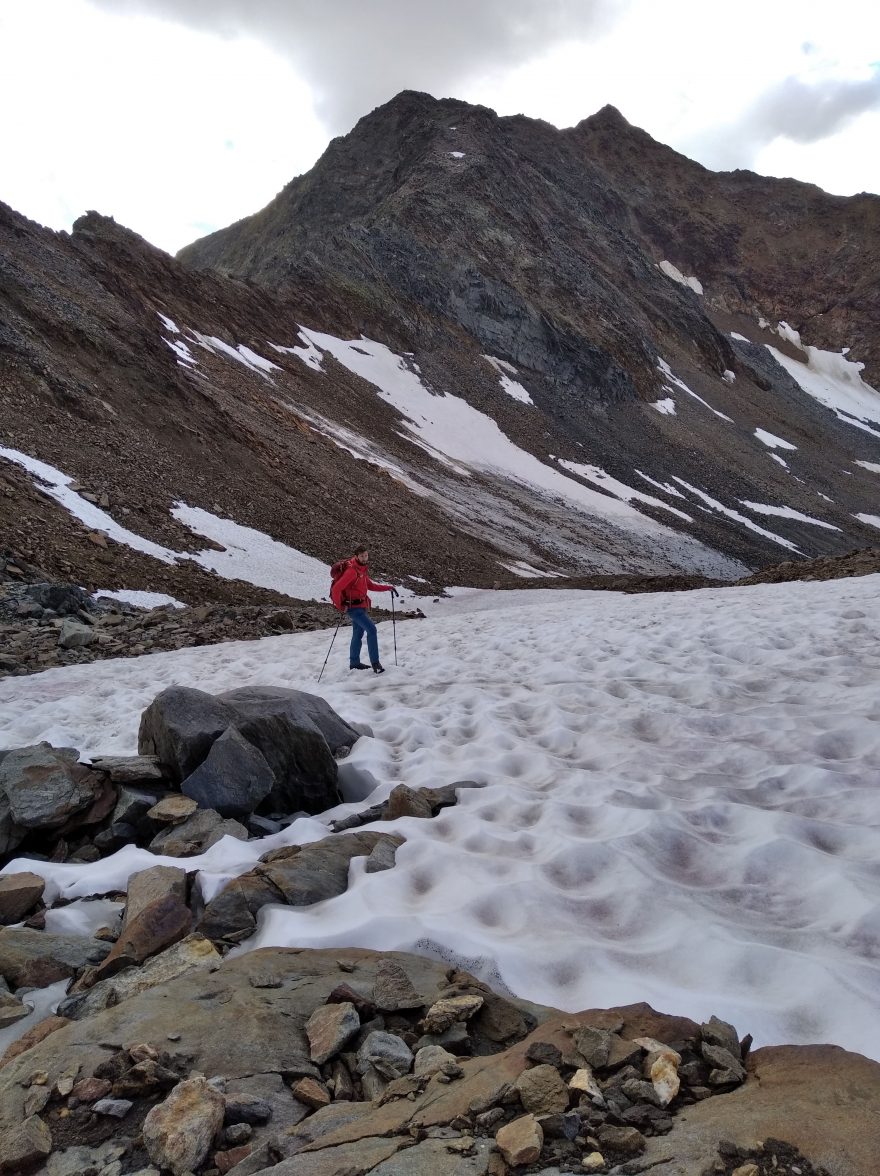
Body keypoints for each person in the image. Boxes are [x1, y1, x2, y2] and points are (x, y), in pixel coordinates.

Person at [330, 546, 398, 673]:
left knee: (357, 634)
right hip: (353, 608)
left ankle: (354, 663)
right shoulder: (351, 571)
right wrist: (340, 606)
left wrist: (388, 587)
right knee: (372, 629)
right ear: (356, 556)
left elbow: (370, 585)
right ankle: (375, 663)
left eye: (366, 555)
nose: (365, 558)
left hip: (361, 606)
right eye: (362, 556)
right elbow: (336, 589)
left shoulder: (361, 569)